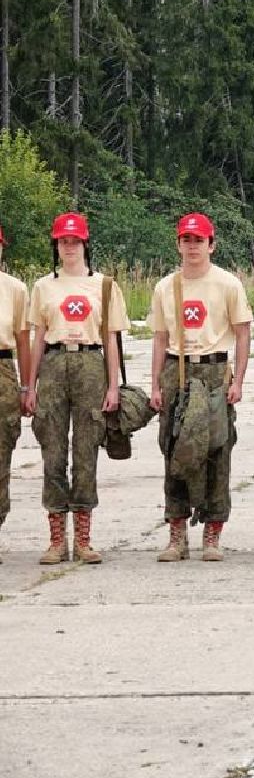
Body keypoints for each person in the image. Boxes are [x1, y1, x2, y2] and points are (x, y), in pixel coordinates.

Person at [21, 213, 129, 565]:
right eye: (63, 241)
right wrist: (31, 385)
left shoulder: (105, 286)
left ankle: (83, 538)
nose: (69, 247)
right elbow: (37, 339)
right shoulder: (43, 287)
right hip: (53, 362)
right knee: (52, 450)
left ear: (85, 244)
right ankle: (56, 539)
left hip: (90, 363)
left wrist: (113, 386)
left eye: (75, 241)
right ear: (56, 245)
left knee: (86, 451)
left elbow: (111, 340)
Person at [149, 213, 253, 562]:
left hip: (213, 371)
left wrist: (237, 380)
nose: (192, 246)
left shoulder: (227, 284)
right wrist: (155, 385)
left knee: (217, 451)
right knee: (175, 452)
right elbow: (160, 338)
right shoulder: (166, 286)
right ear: (178, 244)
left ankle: (212, 534)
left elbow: (242, 333)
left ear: (212, 244)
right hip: (176, 370)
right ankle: (177, 536)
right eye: (186, 240)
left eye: (199, 240)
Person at [0, 223, 32, 565]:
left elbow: (24, 342)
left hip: (3, 371)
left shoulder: (14, 289)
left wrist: (26, 386)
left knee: (1, 453)